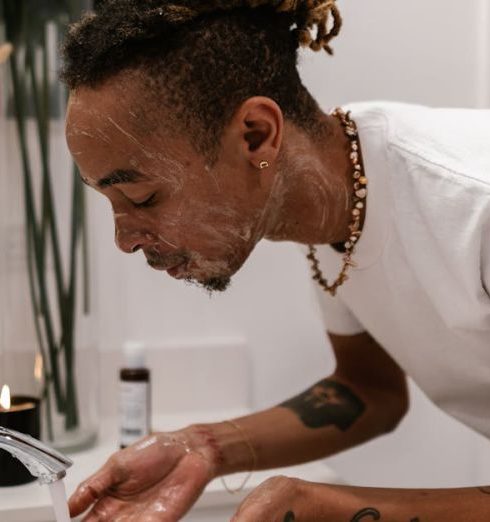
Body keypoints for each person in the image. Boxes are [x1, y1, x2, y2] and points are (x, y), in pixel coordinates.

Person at [62, 0, 490, 520]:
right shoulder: (339, 190)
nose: (124, 241)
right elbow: (369, 391)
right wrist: (206, 447)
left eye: (144, 197)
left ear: (256, 136)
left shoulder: (474, 206)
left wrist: (332, 507)